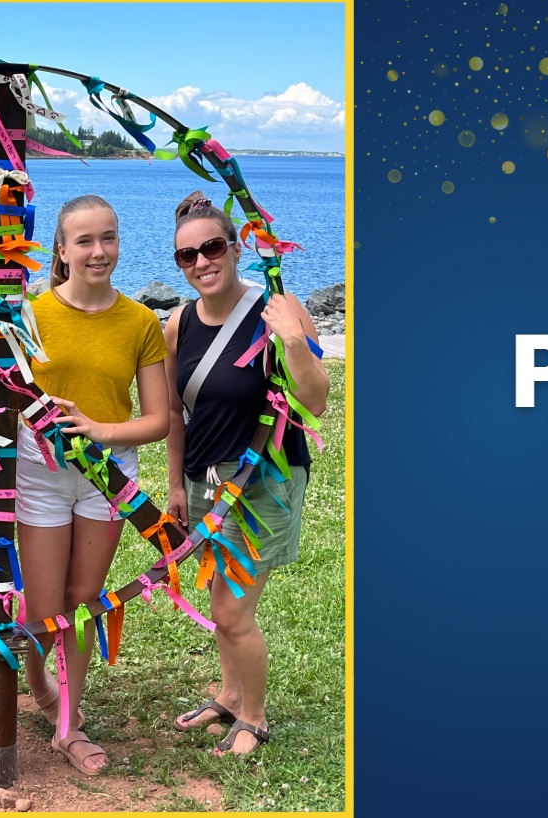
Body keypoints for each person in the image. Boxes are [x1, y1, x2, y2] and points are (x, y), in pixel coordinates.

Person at [164, 192, 329, 755]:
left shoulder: (277, 309)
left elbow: (316, 399)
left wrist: (291, 340)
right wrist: (174, 485)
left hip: (262, 479)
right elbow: (175, 414)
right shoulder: (178, 323)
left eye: (212, 247)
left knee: (232, 610)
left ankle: (254, 717)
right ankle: (229, 696)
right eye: (187, 256)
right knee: (217, 596)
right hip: (204, 477)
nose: (202, 262)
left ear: (236, 248)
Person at [12, 194, 169, 775]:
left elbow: (158, 418)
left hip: (109, 479)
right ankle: (40, 683)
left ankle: (68, 725)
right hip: (41, 474)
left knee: (82, 605)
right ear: (61, 249)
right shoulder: (28, 315)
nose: (98, 251)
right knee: (43, 607)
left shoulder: (140, 321)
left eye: (108, 238)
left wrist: (103, 429)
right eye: (84, 240)